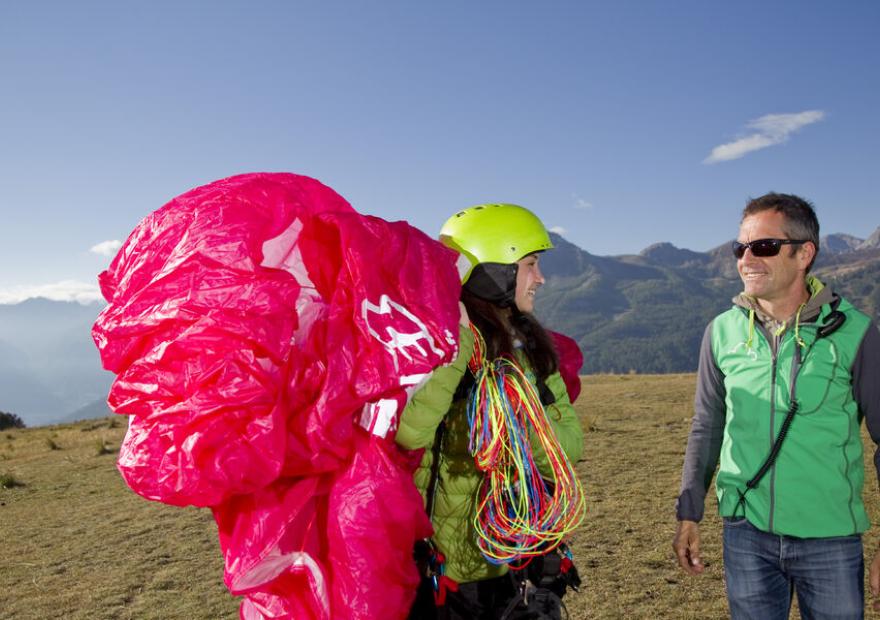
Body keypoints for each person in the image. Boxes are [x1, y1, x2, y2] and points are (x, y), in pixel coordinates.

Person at [672, 192, 880, 619]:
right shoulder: (721, 332)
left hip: (831, 538)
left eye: (764, 247)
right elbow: (707, 426)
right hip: (745, 534)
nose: (747, 258)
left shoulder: (857, 334)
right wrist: (688, 514)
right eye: (740, 248)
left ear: (805, 254)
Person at [395, 203, 585, 620]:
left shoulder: (533, 350)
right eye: (530, 264)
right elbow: (410, 433)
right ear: (494, 271)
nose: (541, 278)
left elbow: (568, 446)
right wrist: (458, 342)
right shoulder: (436, 345)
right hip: (440, 569)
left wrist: (517, 408)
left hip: (507, 561)